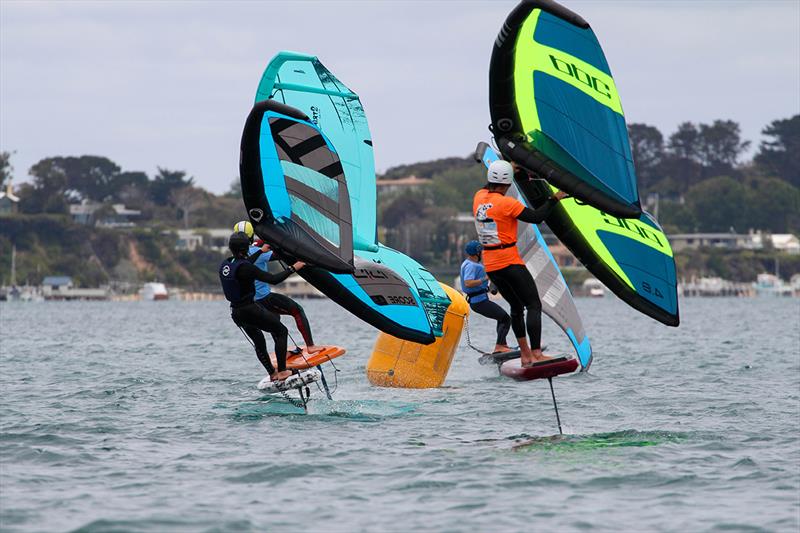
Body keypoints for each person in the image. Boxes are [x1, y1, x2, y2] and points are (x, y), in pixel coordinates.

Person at [472, 160, 568, 367]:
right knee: (533, 305)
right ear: (507, 182)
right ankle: (537, 354)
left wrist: (508, 168)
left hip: (492, 265)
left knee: (516, 307)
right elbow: (536, 217)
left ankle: (525, 355)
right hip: (509, 262)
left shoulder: (478, 198)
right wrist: (555, 198)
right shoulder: (507, 204)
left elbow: (487, 184)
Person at [219, 231, 305, 382]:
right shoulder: (246, 268)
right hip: (249, 309)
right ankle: (283, 371)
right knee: (281, 331)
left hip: (236, 313)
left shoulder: (226, 264)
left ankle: (273, 373)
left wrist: (260, 252)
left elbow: (243, 265)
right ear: (246, 248)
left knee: (259, 342)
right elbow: (273, 279)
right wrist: (294, 267)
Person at [233, 221, 322, 354]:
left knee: (275, 321)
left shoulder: (235, 260)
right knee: (297, 310)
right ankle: (310, 346)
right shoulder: (258, 252)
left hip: (250, 304)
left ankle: (284, 352)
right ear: (251, 236)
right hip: (264, 299)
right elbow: (279, 255)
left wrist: (262, 244)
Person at [460, 240, 513, 355]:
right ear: (476, 253)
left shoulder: (468, 263)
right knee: (506, 319)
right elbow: (468, 283)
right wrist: (485, 278)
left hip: (479, 300)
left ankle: (502, 345)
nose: (482, 253)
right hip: (479, 302)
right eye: (480, 251)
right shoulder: (472, 265)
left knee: (502, 318)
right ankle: (499, 346)